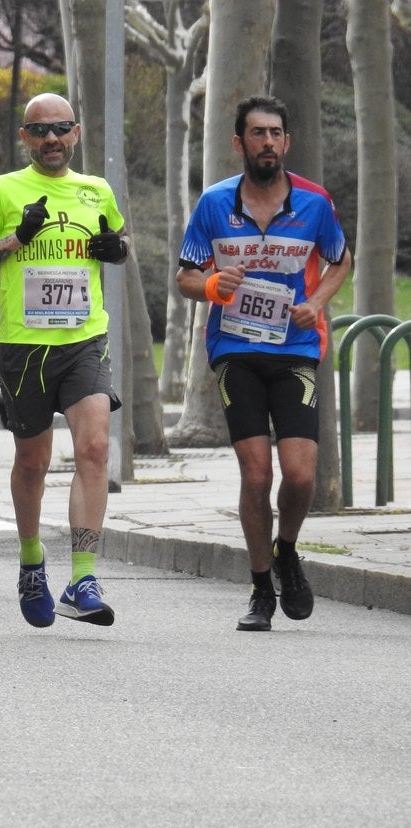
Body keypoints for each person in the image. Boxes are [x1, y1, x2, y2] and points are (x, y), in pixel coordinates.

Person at [177, 95, 351, 632]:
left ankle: (287, 550)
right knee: (257, 474)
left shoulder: (315, 203)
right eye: (258, 133)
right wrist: (211, 283)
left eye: (276, 133)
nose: (268, 142)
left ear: (287, 143)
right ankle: (259, 591)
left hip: (295, 349)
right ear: (239, 143)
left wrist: (316, 304)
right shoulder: (213, 203)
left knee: (299, 476)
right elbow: (185, 277)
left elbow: (341, 260)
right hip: (235, 351)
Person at [0, 92, 130, 629]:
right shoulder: (3, 189)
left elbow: (120, 239)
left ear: (75, 133)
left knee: (94, 448)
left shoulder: (95, 189)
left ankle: (82, 577)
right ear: (25, 138)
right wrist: (17, 238)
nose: (52, 139)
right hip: (25, 346)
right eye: (40, 131)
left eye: (61, 128)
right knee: (32, 461)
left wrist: (114, 249)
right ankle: (32, 561)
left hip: (85, 339)